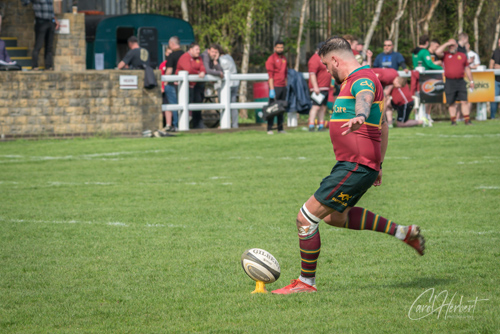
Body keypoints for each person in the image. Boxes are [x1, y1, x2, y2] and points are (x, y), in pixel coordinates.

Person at [272, 36, 425, 295]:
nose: (326, 70)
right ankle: (403, 232)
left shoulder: (361, 79)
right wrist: (378, 164)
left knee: (305, 218)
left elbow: (364, 96)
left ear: (335, 59)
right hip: (358, 165)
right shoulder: (355, 80)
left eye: (325, 65)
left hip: (355, 165)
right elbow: (384, 127)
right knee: (335, 216)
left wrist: (361, 115)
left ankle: (306, 283)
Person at [435, 38, 474, 125]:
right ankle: (453, 121)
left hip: (460, 81)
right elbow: (437, 52)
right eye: (450, 46)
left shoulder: (462, 55)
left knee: (464, 101)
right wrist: (447, 43)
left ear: (457, 46)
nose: (451, 47)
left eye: (453, 45)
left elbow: (467, 68)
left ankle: (467, 120)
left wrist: (471, 81)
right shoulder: (444, 55)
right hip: (449, 81)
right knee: (451, 102)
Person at [412, 35, 443, 122]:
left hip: (415, 76)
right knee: (428, 97)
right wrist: (442, 69)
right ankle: (426, 116)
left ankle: (417, 116)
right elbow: (430, 64)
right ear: (427, 43)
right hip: (425, 77)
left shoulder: (414, 51)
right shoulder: (424, 52)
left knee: (417, 97)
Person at [176, 42, 206, 129]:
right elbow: (188, 69)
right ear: (191, 50)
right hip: (183, 86)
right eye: (197, 49)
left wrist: (202, 71)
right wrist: (198, 73)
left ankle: (197, 124)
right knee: (184, 104)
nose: (198, 51)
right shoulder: (185, 57)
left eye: (199, 49)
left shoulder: (198, 58)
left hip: (194, 85)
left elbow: (202, 66)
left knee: (198, 102)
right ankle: (182, 125)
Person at [26, 0, 60, 70]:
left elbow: (51, 9)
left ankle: (49, 66)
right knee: (38, 45)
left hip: (51, 22)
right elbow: (25, 2)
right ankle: (35, 66)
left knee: (49, 46)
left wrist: (55, 20)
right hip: (41, 21)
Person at [265, 40, 287, 135]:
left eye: (281, 47)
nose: (280, 49)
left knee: (281, 108)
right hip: (275, 86)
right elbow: (270, 76)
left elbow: (285, 74)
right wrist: (272, 89)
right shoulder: (271, 59)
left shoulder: (284, 58)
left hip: (283, 86)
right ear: (274, 48)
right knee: (272, 108)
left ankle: (280, 128)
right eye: (278, 47)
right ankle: (269, 128)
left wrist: (286, 86)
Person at [307, 42, 330, 131]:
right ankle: (311, 125)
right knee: (315, 107)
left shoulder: (322, 58)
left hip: (325, 87)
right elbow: (312, 74)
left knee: (323, 107)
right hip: (318, 88)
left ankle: (321, 124)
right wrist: (315, 87)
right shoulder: (314, 59)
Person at [164, 36, 184, 130]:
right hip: (183, 84)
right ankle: (183, 123)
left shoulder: (172, 55)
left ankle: (176, 125)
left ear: (172, 44)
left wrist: (165, 82)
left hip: (172, 84)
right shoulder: (184, 55)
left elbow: (169, 70)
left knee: (174, 104)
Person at [217, 47, 240, 128]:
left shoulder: (221, 59)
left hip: (226, 85)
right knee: (233, 105)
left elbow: (221, 70)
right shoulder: (229, 57)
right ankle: (235, 124)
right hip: (235, 83)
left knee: (223, 105)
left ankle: (224, 124)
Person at [157, 46, 173, 135]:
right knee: (167, 106)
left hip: (173, 87)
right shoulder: (163, 64)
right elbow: (161, 77)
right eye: (168, 53)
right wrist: (162, 87)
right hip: (165, 88)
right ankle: (168, 124)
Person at [489, 37, 500, 119]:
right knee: (493, 98)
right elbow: (491, 62)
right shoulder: (496, 51)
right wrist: (492, 67)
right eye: (498, 43)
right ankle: (492, 116)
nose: (499, 44)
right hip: (496, 80)